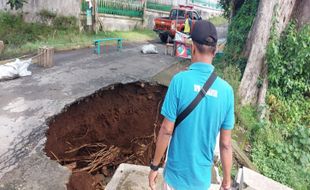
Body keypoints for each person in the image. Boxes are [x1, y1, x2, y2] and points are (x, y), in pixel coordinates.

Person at [148, 20, 234, 190]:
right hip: (201, 182)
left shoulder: (179, 81)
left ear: (192, 47)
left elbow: (166, 129)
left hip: (175, 179)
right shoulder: (227, 91)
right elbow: (225, 144)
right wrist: (226, 179)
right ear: (215, 51)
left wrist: (154, 167)